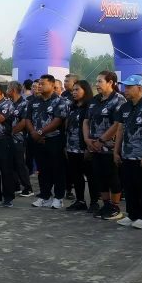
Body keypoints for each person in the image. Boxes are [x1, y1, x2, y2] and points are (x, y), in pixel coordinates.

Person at [113, 75, 142, 229]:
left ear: (140, 88)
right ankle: (132, 214)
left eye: (129, 87)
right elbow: (120, 129)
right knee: (129, 186)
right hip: (127, 154)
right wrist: (116, 151)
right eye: (125, 87)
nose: (125, 90)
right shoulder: (124, 107)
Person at [84, 71, 126, 221]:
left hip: (110, 146)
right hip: (94, 146)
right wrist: (87, 139)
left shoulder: (119, 100)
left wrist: (101, 140)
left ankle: (115, 206)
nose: (97, 84)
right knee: (99, 176)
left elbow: (117, 124)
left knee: (112, 176)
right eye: (96, 81)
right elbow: (86, 121)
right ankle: (106, 204)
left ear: (110, 83)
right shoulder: (95, 100)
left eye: (100, 81)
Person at [27, 74, 69, 209]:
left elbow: (57, 121)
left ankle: (58, 197)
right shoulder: (33, 101)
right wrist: (34, 133)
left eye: (42, 84)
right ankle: (45, 196)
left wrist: (40, 132)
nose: (39, 86)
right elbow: (27, 119)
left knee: (57, 169)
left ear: (52, 85)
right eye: (39, 84)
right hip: (38, 141)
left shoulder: (60, 101)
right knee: (42, 170)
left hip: (54, 140)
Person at [64, 80, 98, 212]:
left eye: (77, 89)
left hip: (85, 147)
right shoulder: (72, 107)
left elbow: (91, 127)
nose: (74, 92)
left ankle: (94, 202)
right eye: (73, 90)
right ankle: (80, 201)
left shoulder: (91, 107)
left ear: (86, 90)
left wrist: (88, 146)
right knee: (76, 175)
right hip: (71, 147)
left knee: (91, 176)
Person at [7, 81, 33, 197]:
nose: (6, 91)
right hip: (9, 139)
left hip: (19, 139)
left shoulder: (24, 103)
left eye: (8, 88)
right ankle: (15, 186)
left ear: (12, 90)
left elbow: (24, 121)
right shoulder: (9, 103)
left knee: (19, 163)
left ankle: (28, 187)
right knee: (11, 163)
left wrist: (12, 132)